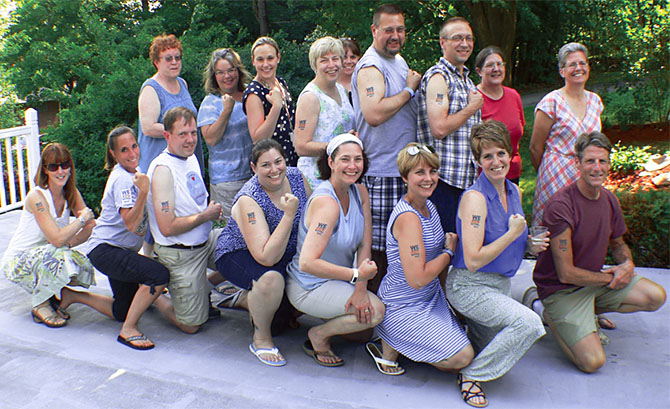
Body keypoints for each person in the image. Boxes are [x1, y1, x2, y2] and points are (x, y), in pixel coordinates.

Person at [530, 131, 666, 373]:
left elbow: (618, 243)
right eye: (590, 161)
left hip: (594, 283)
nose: (597, 167)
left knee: (655, 296)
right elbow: (566, 273)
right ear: (577, 164)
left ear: (609, 164)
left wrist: (627, 265)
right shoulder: (561, 206)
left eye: (602, 161)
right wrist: (612, 278)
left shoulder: (609, 200)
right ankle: (547, 311)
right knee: (592, 362)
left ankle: (587, 312)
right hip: (561, 291)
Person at [445, 121, 547, 407]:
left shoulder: (514, 191)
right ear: (477, 161)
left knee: (492, 345)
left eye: (501, 153)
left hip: (500, 286)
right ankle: (471, 376)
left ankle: (470, 333)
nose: (496, 161)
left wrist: (528, 244)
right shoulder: (475, 199)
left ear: (511, 154)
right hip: (470, 285)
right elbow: (475, 259)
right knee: (528, 324)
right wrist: (513, 234)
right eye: (487, 156)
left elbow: (510, 238)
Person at [373, 143, 477, 401]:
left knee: (471, 338)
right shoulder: (408, 218)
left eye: (433, 171)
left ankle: (401, 345)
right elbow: (417, 278)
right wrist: (448, 252)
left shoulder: (428, 206)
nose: (429, 178)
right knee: (463, 357)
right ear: (404, 177)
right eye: (420, 172)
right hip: (403, 303)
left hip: (430, 299)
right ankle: (394, 340)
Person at [87, 126, 190, 350]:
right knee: (158, 275)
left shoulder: (134, 171)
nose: (132, 153)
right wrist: (143, 192)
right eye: (124, 150)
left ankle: (72, 297)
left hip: (116, 250)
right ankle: (129, 330)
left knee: (122, 309)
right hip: (107, 250)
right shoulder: (124, 179)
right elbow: (132, 224)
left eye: (134, 146)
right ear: (114, 154)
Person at [286, 134, 383, 367]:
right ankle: (318, 335)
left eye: (358, 159)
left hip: (340, 281)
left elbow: (364, 245)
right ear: (331, 162)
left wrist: (360, 289)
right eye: (345, 159)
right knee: (376, 312)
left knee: (362, 332)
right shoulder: (327, 204)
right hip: (309, 284)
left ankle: (327, 319)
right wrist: (357, 276)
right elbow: (307, 263)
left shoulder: (360, 193)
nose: (352, 166)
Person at [212, 138, 310, 366]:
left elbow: (311, 218)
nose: (275, 170)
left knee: (282, 323)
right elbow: (266, 257)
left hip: (284, 254)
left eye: (278, 161)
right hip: (240, 253)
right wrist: (288, 215)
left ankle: (245, 299)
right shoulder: (250, 198)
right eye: (266, 165)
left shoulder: (296, 177)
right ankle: (261, 339)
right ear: (254, 168)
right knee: (271, 281)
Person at [2, 143, 113, 328]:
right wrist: (80, 220)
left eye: (65, 165)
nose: (60, 171)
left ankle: (55, 294)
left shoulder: (70, 192)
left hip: (46, 254)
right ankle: (41, 304)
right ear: (45, 170)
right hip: (19, 262)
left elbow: (91, 227)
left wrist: (69, 243)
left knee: (77, 263)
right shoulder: (37, 197)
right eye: (53, 166)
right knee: (56, 252)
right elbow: (58, 237)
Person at [351, 3, 421, 291]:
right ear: (374, 30)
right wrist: (408, 90)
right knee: (380, 252)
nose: (395, 35)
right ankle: (371, 319)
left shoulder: (398, 61)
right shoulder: (370, 66)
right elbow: (374, 113)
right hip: (381, 174)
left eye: (400, 29)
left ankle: (393, 315)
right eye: (389, 29)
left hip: (401, 171)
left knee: (399, 248)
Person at [146, 107, 223, 334]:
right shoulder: (162, 171)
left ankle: (201, 286)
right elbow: (167, 227)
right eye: (183, 134)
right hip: (181, 254)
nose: (190, 140)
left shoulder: (188, 157)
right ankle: (155, 296)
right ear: (167, 135)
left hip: (205, 242)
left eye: (193, 133)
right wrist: (205, 216)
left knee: (246, 248)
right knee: (192, 326)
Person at [417, 16, 482, 235]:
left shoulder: (466, 80)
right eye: (457, 38)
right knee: (443, 250)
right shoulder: (439, 77)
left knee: (461, 248)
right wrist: (472, 108)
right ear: (443, 42)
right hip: (442, 180)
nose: (464, 44)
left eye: (468, 38)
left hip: (465, 179)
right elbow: (439, 128)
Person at [529, 42, 603, 228]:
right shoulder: (551, 102)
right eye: (572, 64)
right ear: (562, 71)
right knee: (556, 230)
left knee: (585, 228)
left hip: (588, 174)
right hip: (556, 177)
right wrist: (548, 170)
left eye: (582, 63)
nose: (578, 68)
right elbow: (535, 147)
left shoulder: (595, 101)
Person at [198, 48, 254, 220]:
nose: (227, 76)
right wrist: (226, 111)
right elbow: (211, 139)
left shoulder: (250, 95)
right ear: (214, 76)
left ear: (238, 70)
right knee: (232, 231)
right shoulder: (210, 103)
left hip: (253, 175)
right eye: (220, 72)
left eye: (231, 70)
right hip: (226, 182)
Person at [138, 34, 203, 175]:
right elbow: (148, 128)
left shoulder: (182, 83)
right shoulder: (151, 89)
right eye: (168, 58)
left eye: (177, 57)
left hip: (185, 163)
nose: (174, 62)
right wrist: (180, 133)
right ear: (156, 62)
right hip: (160, 166)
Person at [294, 36, 355, 188]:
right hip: (317, 179)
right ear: (314, 65)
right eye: (324, 60)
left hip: (340, 174)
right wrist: (338, 146)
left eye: (335, 59)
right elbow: (301, 146)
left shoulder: (341, 89)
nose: (331, 65)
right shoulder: (311, 97)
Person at [243, 36, 298, 166]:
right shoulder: (254, 93)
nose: (266, 64)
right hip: (271, 163)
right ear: (253, 61)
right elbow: (258, 138)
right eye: (260, 59)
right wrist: (276, 107)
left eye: (270, 58)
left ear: (278, 58)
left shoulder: (281, 82)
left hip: (290, 156)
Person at [475, 46, 525, 184]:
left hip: (512, 173)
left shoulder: (513, 95)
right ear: (479, 71)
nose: (496, 69)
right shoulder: (473, 98)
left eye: (499, 64)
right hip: (484, 177)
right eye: (490, 65)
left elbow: (519, 130)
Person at [337, 38, 362, 104]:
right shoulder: (330, 86)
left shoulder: (364, 82)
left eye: (353, 57)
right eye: (344, 57)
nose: (348, 61)